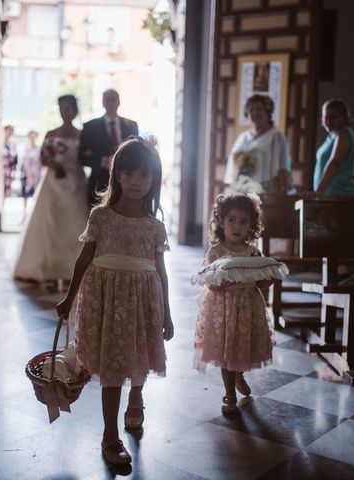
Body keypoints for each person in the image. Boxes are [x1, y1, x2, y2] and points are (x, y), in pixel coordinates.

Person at [56, 137, 174, 466]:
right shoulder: (101, 217)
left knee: (137, 352)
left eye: (145, 175)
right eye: (130, 173)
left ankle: (136, 396)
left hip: (143, 298)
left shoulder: (154, 226)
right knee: (112, 365)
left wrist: (167, 313)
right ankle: (110, 437)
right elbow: (83, 260)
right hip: (105, 300)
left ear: (154, 180)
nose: (137, 182)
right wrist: (70, 297)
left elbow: (161, 273)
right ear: (117, 175)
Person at [193, 192, 275, 415]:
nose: (237, 226)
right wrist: (227, 281)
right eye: (232, 220)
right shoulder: (216, 252)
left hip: (248, 307)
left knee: (242, 346)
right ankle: (229, 393)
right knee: (226, 350)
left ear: (251, 224)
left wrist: (269, 278)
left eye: (243, 221)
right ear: (221, 221)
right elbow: (211, 284)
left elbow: (261, 282)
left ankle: (240, 374)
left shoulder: (253, 252)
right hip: (224, 309)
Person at [12, 95, 87, 288]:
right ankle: (48, 268)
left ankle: (74, 268)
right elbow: (42, 159)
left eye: (68, 108)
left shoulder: (82, 134)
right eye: (62, 108)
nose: (65, 112)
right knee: (51, 223)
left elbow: (86, 157)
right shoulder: (51, 133)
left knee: (75, 222)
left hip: (76, 182)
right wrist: (54, 164)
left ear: (75, 110)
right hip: (55, 181)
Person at [78, 89, 138, 207]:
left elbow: (136, 153)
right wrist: (101, 161)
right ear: (103, 103)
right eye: (107, 100)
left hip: (125, 183)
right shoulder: (90, 126)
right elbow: (81, 157)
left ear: (119, 102)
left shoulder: (131, 125)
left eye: (113, 99)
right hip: (99, 183)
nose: (110, 103)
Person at [224, 94, 294, 194]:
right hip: (243, 190)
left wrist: (283, 192)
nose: (255, 113)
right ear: (247, 115)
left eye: (259, 109)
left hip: (268, 191)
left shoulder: (277, 136)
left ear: (267, 112)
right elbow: (233, 165)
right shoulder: (242, 138)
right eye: (251, 110)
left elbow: (283, 167)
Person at [311, 98, 354, 196]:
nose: (328, 121)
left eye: (333, 117)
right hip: (330, 195)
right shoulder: (332, 135)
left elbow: (335, 163)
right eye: (326, 117)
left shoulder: (344, 134)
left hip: (342, 194)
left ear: (343, 117)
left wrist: (319, 192)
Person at [20, 130, 41, 219]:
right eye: (30, 136)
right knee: (25, 196)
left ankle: (34, 215)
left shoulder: (39, 149)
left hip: (36, 176)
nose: (32, 138)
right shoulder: (26, 149)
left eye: (34, 136)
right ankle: (24, 215)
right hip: (26, 175)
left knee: (36, 196)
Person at [2, 124, 17, 199]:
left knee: (5, 191)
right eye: (8, 131)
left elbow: (15, 159)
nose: (9, 133)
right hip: (0, 171)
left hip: (8, 172)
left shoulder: (12, 145)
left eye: (11, 132)